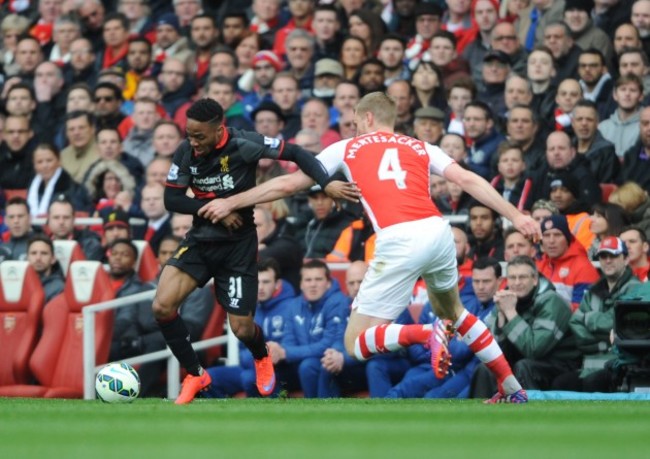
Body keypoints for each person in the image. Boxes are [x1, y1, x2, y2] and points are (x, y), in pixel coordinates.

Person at [199, 92, 542, 403]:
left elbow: (290, 183)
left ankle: (427, 332)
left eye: (353, 123)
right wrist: (516, 215)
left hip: (399, 239)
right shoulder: (421, 147)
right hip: (438, 231)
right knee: (454, 311)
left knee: (355, 343)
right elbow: (467, 179)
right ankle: (511, 387)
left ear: (366, 119)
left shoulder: (347, 147)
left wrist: (233, 201)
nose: (353, 128)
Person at [153, 98, 352, 404]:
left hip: (238, 246)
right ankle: (195, 373)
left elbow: (297, 153)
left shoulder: (245, 143)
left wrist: (325, 182)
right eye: (189, 134)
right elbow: (173, 200)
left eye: (199, 136)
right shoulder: (185, 151)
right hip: (201, 240)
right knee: (162, 307)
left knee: (242, 328)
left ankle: (261, 356)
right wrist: (213, 209)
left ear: (219, 129)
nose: (193, 142)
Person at [470, 255, 580, 396]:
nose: (516, 283)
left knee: (523, 366)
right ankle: (479, 416)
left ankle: (529, 415)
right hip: (527, 360)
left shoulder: (552, 301)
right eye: (512, 278)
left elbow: (534, 349)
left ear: (534, 280)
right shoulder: (507, 300)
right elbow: (496, 352)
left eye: (522, 277)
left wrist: (510, 313)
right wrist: (502, 318)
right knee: (486, 369)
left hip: (561, 364)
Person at [553, 236, 641, 392]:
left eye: (613, 256)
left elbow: (616, 322)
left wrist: (588, 318)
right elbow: (574, 323)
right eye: (603, 256)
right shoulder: (593, 291)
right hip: (588, 367)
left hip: (620, 366)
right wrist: (606, 342)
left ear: (626, 259)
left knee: (592, 383)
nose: (607, 260)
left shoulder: (636, 289)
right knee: (561, 383)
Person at [26, 234, 65, 303]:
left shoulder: (59, 288)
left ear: (53, 259)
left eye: (44, 253)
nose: (38, 258)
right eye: (33, 253)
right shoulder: (19, 285)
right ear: (27, 258)